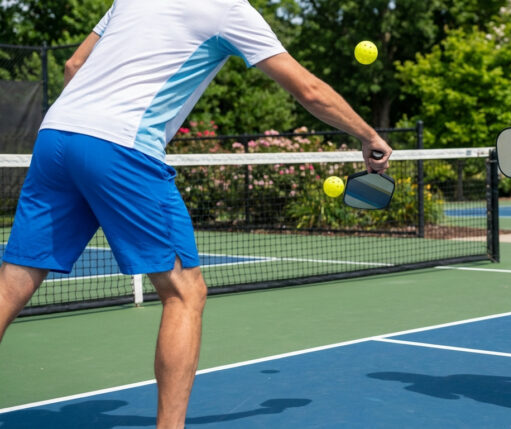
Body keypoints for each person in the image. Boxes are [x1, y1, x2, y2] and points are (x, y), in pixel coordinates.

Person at [0, 1, 391, 427]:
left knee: (13, 282)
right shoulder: (229, 9)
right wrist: (368, 135)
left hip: (56, 135)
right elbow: (309, 90)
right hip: (122, 146)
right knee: (185, 293)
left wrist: (87, 127)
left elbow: (74, 65)